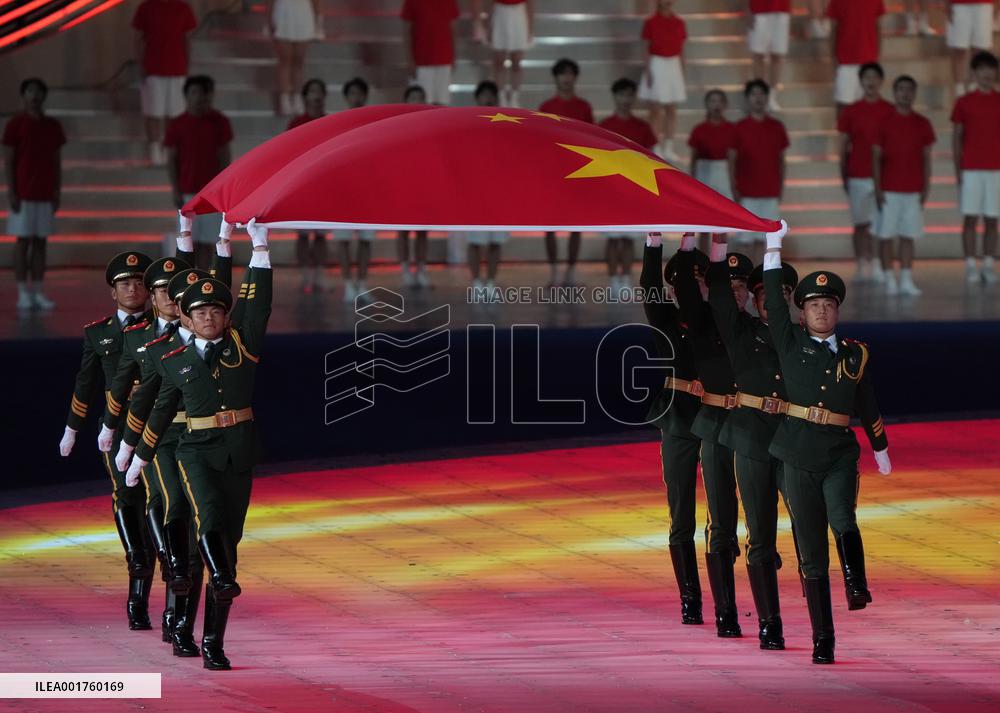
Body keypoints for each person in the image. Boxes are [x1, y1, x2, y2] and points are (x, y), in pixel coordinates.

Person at [126, 220, 273, 670]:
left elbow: (257, 304)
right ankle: (222, 580)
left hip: (239, 450)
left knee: (226, 540)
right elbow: (159, 408)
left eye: (217, 311)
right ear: (186, 318)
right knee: (204, 518)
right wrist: (137, 454)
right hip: (193, 451)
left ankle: (211, 641)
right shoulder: (174, 358)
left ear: (226, 316)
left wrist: (259, 248)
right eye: (200, 313)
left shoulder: (241, 346)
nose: (209, 317)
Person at [762, 222, 892, 664]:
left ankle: (856, 582)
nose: (820, 311)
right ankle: (823, 637)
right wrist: (773, 245)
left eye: (827, 305)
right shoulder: (789, 341)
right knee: (811, 550)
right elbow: (773, 303)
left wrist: (881, 448)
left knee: (843, 516)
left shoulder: (855, 353)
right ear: (802, 313)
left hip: (838, 451)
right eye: (813, 305)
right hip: (797, 453)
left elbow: (867, 400)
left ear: (837, 311)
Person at [706, 235, 803, 650]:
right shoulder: (739, 329)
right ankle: (769, 622)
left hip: (794, 440)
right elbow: (721, 298)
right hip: (750, 437)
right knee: (759, 534)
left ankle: (820, 619)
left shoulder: (803, 338)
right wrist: (722, 246)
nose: (774, 301)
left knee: (808, 525)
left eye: (783, 294)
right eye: (766, 294)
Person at [59, 251, 155, 631]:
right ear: (112, 292)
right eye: (124, 283)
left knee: (163, 504)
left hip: (158, 425)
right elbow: (86, 383)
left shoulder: (163, 326)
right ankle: (137, 586)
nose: (133, 289)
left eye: (138, 282)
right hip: (117, 429)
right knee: (127, 497)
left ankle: (168, 584)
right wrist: (72, 428)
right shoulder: (98, 332)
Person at [674, 234, 747, 640]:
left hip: (756, 431)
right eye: (727, 287)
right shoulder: (702, 324)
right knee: (720, 523)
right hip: (717, 428)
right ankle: (725, 612)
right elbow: (686, 287)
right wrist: (696, 247)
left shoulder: (759, 330)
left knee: (758, 525)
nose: (734, 295)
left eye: (741, 288)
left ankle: (768, 615)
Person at [640, 233, 706, 627]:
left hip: (718, 418)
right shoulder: (665, 316)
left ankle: (727, 589)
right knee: (681, 510)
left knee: (726, 509)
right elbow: (649, 285)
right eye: (684, 282)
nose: (692, 288)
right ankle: (690, 597)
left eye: (698, 281)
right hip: (679, 418)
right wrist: (653, 243)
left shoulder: (718, 317)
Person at [4, 78, 65, 311]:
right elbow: (9, 161)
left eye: (38, 92)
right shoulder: (15, 125)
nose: (34, 96)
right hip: (23, 193)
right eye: (30, 91)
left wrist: (57, 191)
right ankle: (22, 293)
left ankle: (38, 291)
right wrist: (12, 192)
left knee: (41, 243)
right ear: (23, 95)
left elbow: (56, 162)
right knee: (23, 243)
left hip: (45, 192)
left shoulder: (52, 126)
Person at [872, 75, 935, 296]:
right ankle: (889, 278)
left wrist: (926, 187)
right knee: (886, 236)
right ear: (895, 93)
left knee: (909, 235)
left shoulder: (922, 123)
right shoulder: (884, 122)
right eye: (901, 90)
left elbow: (927, 159)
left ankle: (906, 278)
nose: (905, 94)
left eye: (909, 89)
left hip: (913, 190)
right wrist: (878, 189)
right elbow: (876, 159)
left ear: (914, 93)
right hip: (889, 190)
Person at [164, 75, 233, 270]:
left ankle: (203, 279)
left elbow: (224, 156)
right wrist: (175, 189)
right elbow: (171, 159)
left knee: (209, 241)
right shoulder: (177, 124)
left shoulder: (220, 122)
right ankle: (187, 279)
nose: (199, 98)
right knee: (188, 242)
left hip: (211, 194)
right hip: (187, 191)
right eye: (194, 92)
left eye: (203, 93)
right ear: (186, 95)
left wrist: (222, 189)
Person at [599, 78, 657, 292]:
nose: (625, 99)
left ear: (634, 98)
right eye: (621, 94)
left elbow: (651, 158)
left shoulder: (642, 127)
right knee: (613, 238)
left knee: (630, 238)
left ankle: (625, 279)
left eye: (629, 95)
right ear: (615, 97)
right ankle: (613, 279)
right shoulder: (605, 126)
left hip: (635, 188)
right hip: (612, 188)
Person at [837, 62, 894, 283]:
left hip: (884, 176)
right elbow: (843, 145)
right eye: (866, 78)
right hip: (858, 173)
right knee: (860, 223)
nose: (871, 82)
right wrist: (843, 171)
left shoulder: (890, 110)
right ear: (861, 82)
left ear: (881, 81)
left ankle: (880, 264)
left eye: (874, 78)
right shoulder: (851, 111)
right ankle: (862, 263)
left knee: (881, 224)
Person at [539, 58, 593, 288]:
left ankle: (570, 271)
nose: (566, 78)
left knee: (576, 224)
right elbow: (540, 141)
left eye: (570, 73)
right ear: (556, 77)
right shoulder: (546, 107)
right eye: (562, 73)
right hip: (552, 171)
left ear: (575, 77)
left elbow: (591, 139)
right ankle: (553, 271)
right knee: (549, 224)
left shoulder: (584, 107)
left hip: (579, 171)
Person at [952, 50, 1000, 284]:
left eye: (991, 70)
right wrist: (958, 170)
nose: (987, 74)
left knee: (992, 219)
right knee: (970, 218)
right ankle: (970, 264)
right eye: (981, 70)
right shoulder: (964, 102)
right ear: (974, 73)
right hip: (971, 168)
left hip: (996, 170)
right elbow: (957, 138)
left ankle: (988, 264)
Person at [132, 0, 197, 165]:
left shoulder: (183, 8)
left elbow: (187, 39)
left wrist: (187, 65)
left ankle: (170, 151)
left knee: (174, 115)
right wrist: (141, 64)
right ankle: (155, 153)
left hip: (177, 69)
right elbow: (138, 38)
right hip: (153, 68)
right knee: (153, 113)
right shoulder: (146, 7)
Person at [732, 80, 788, 265]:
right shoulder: (739, 127)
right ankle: (745, 279)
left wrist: (780, 187)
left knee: (766, 241)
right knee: (745, 241)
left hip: (770, 191)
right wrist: (735, 187)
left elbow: (781, 160)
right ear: (748, 99)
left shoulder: (777, 127)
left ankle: (762, 280)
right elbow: (732, 161)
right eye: (754, 94)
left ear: (767, 98)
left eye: (761, 94)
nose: (758, 98)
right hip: (747, 191)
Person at [333, 77, 376, 302]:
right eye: (352, 94)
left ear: (365, 96)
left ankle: (361, 282)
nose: (356, 98)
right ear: (346, 97)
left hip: (368, 189)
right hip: (344, 190)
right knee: (344, 239)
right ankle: (348, 282)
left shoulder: (373, 124)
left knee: (366, 239)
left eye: (359, 93)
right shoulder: (338, 124)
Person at [287, 78, 330, 293]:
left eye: (319, 91)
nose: (316, 96)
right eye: (311, 91)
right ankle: (305, 274)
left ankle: (320, 273)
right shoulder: (296, 123)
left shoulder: (331, 122)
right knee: (303, 235)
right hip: (301, 186)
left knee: (321, 234)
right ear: (305, 97)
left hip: (324, 185)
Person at [465, 80, 506, 295]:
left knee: (495, 241)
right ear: (477, 98)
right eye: (484, 95)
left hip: (499, 192)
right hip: (475, 192)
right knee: (475, 241)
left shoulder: (506, 126)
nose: (488, 99)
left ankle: (490, 282)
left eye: (492, 95)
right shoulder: (467, 125)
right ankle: (476, 282)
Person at [639, 0, 687, 162]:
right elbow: (646, 48)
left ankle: (669, 146)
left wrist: (682, 71)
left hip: (673, 64)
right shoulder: (650, 22)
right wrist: (647, 71)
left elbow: (681, 49)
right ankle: (655, 146)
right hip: (657, 63)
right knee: (655, 110)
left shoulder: (679, 22)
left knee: (672, 109)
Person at [689, 89, 737, 247]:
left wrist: (734, 183)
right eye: (712, 101)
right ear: (707, 105)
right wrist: (692, 182)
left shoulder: (731, 129)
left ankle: (721, 258)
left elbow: (733, 158)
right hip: (704, 172)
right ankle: (703, 259)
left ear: (725, 105)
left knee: (723, 221)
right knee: (704, 221)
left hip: (723, 172)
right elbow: (694, 158)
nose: (716, 105)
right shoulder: (699, 129)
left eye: (719, 101)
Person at [826, 0, 885, 112]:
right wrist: (833, 57)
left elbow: (878, 27)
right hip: (845, 61)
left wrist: (877, 56)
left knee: (868, 106)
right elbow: (834, 29)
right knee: (844, 104)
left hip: (868, 60)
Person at [473, 0, 533, 107]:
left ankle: (514, 97)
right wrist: (487, 25)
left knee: (516, 61)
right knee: (499, 61)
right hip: (500, 12)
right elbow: (490, 3)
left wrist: (530, 28)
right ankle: (501, 96)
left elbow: (530, 3)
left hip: (518, 12)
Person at [266, 0, 321, 115]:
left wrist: (318, 22)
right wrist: (269, 19)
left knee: (299, 61)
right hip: (283, 11)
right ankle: (284, 100)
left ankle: (298, 98)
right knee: (285, 61)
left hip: (303, 12)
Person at [401, 0, 458, 106]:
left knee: (443, 102)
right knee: (421, 104)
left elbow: (453, 28)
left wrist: (453, 56)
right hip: (422, 61)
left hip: (444, 59)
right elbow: (406, 30)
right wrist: (409, 60)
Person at [746, 0, 790, 111]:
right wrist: (747, 9)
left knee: (778, 54)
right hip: (759, 8)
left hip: (781, 9)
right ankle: (759, 95)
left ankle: (772, 96)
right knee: (758, 54)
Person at [947, 0, 995, 97]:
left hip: (984, 4)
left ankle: (975, 87)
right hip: (959, 4)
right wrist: (947, 4)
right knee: (959, 48)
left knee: (980, 49)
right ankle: (959, 91)